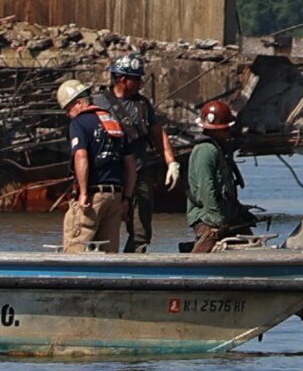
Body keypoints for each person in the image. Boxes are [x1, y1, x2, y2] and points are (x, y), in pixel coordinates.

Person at [99, 53, 166, 253]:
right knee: (104, 229)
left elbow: (158, 134)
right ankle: (102, 268)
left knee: (140, 232)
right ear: (122, 79)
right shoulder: (100, 103)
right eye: (136, 79)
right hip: (110, 175)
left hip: (139, 172)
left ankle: (133, 267)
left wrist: (171, 163)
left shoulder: (143, 105)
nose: (140, 83)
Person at [178, 94, 259, 246]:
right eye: (226, 128)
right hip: (208, 218)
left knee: (251, 243)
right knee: (204, 251)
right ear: (216, 130)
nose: (229, 132)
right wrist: (216, 220)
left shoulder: (218, 150)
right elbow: (206, 188)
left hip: (224, 216)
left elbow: (225, 191)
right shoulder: (205, 151)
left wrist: (240, 212)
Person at [58, 77, 127, 252]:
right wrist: (125, 198)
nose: (68, 115)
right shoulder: (112, 121)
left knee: (75, 247)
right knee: (108, 254)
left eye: (68, 109)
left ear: (79, 103)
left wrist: (83, 193)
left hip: (93, 196)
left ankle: (71, 279)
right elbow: (130, 163)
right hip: (115, 196)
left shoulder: (79, 123)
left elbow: (81, 156)